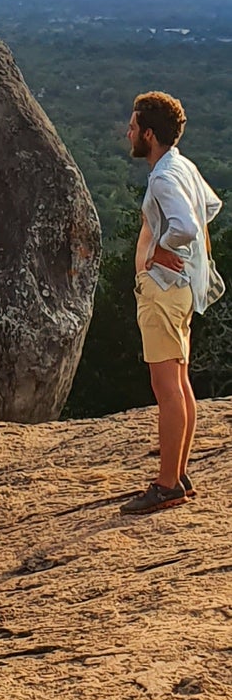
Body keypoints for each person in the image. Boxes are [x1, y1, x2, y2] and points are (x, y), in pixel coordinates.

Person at [123, 91, 224, 514]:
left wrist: (158, 250)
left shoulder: (163, 178)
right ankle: (178, 474)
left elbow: (184, 223)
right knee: (180, 384)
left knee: (167, 389)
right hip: (178, 288)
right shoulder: (182, 164)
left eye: (132, 126)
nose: (127, 132)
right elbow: (211, 205)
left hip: (163, 290)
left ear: (148, 134)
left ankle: (167, 485)